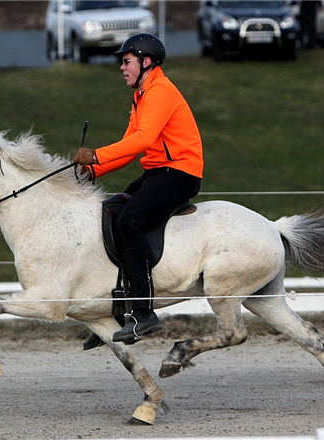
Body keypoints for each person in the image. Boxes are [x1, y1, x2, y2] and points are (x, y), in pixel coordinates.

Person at [73, 33, 204, 344]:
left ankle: (144, 313)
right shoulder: (142, 95)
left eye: (127, 61)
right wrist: (93, 169)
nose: (122, 67)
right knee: (112, 211)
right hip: (159, 171)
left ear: (146, 62)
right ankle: (120, 312)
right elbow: (130, 148)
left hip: (180, 173)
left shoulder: (160, 91)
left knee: (130, 221)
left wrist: (96, 155)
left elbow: (143, 139)